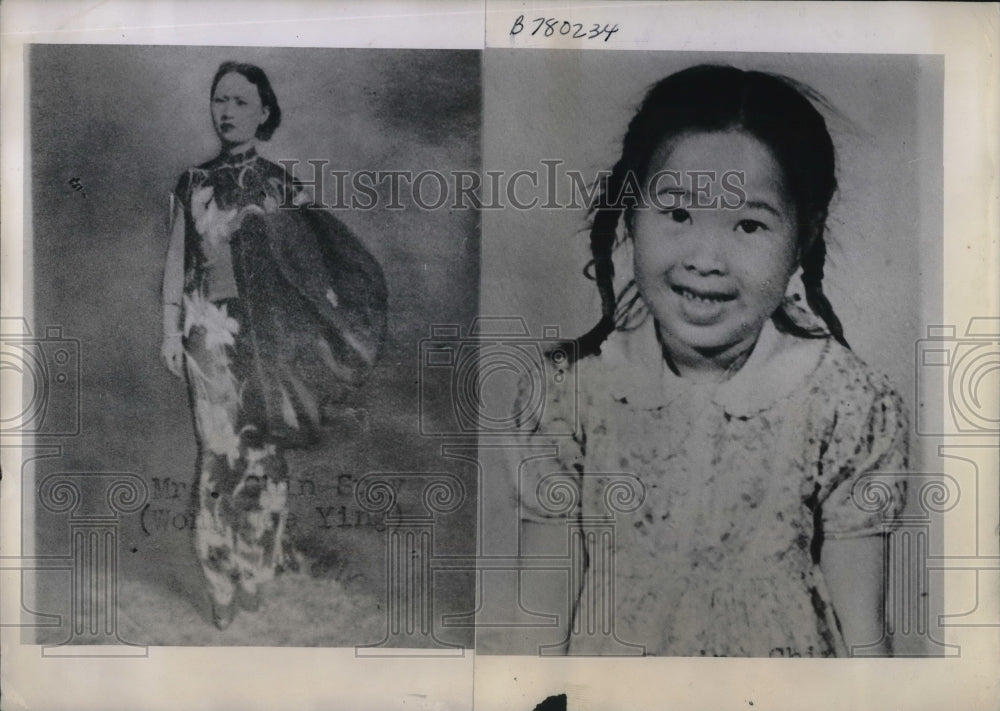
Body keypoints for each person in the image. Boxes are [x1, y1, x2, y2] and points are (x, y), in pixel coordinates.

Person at [512, 64, 908, 657]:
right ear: (629, 214)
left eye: (748, 224)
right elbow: (537, 630)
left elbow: (865, 638)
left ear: (805, 234)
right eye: (677, 215)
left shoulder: (847, 404)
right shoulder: (570, 392)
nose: (706, 259)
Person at [161, 61, 387, 630]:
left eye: (241, 102)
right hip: (207, 332)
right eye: (220, 100)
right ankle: (219, 580)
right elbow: (175, 263)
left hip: (272, 339)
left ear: (264, 113)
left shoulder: (283, 185)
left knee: (264, 452)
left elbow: (310, 269)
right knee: (217, 453)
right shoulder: (192, 182)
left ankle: (256, 568)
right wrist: (169, 329)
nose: (227, 112)